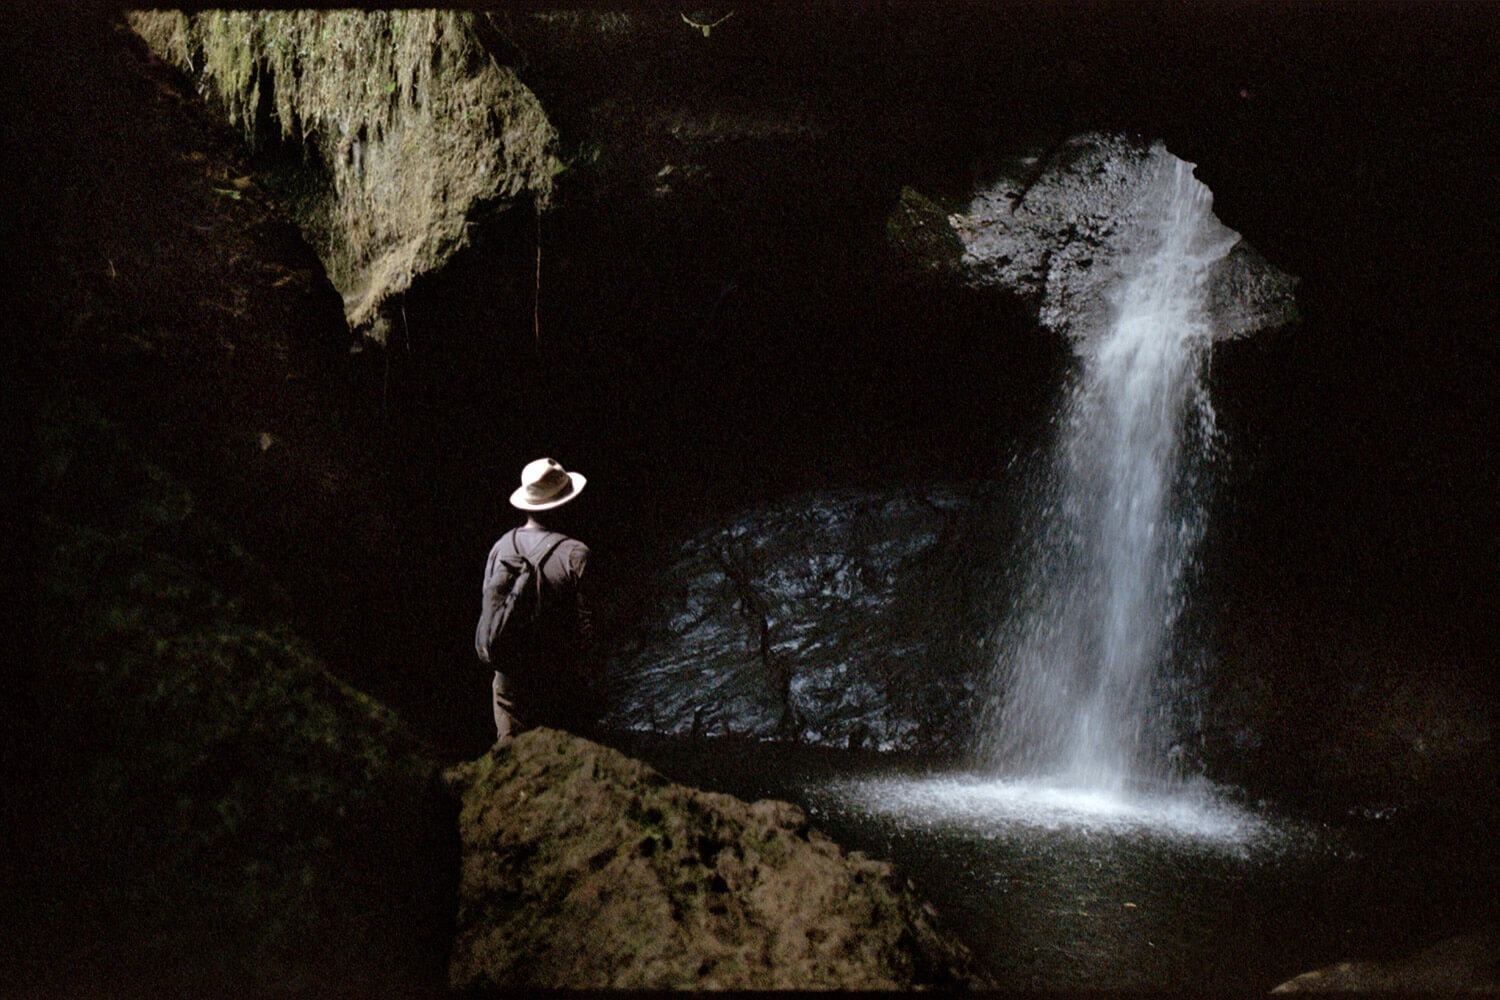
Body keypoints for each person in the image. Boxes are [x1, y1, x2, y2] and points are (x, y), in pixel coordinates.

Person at [478, 457, 595, 741]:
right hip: (555, 681)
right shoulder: (575, 554)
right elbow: (588, 628)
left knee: (514, 758)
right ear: (564, 504)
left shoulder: (500, 547)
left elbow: (490, 606)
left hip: (507, 683)